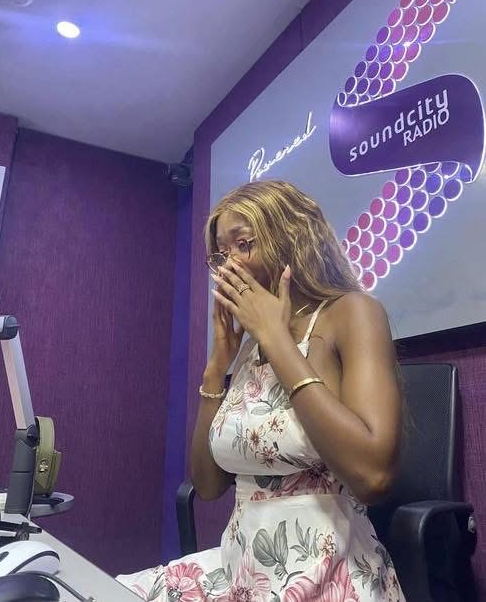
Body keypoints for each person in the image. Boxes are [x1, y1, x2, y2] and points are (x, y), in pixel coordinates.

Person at [118, 180, 406, 601]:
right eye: (221, 254)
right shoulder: (250, 347)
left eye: (243, 244)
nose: (228, 266)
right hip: (240, 566)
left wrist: (276, 338)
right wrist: (217, 368)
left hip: (324, 568)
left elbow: (373, 476)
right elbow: (208, 485)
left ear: (291, 238)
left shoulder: (353, 312)